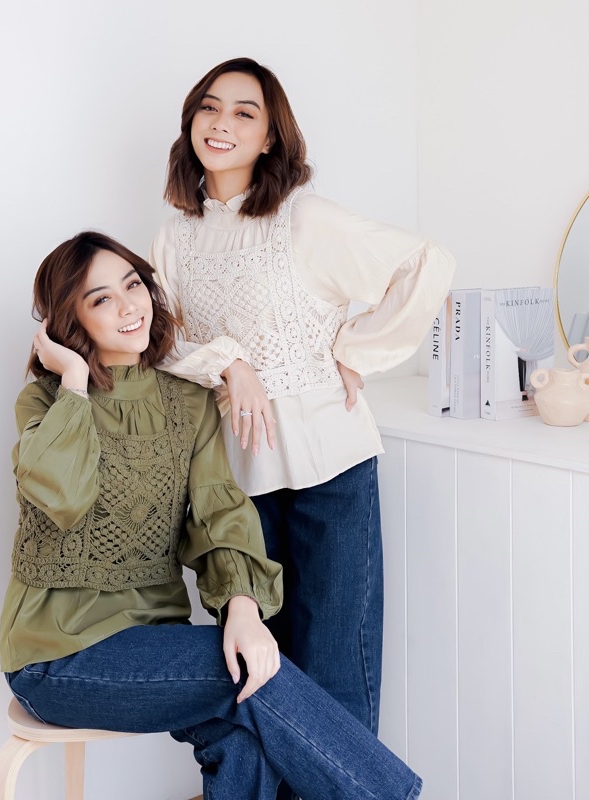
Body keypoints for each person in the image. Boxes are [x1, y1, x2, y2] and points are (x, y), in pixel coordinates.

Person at [0, 230, 423, 800]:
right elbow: (64, 497)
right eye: (100, 299)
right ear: (69, 321)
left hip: (153, 640)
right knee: (251, 671)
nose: (128, 306)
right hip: (57, 656)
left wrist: (242, 608)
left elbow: (218, 512)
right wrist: (74, 380)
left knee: (245, 721)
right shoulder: (46, 402)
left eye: (132, 285)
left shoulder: (186, 400)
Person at [150, 57, 456, 743]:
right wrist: (230, 365)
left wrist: (357, 350)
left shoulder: (303, 218)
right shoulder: (175, 237)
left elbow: (424, 262)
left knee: (337, 671)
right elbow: (157, 340)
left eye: (244, 112)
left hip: (332, 470)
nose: (221, 123)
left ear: (270, 137)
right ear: (190, 122)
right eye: (209, 107)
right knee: (258, 677)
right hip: (235, 482)